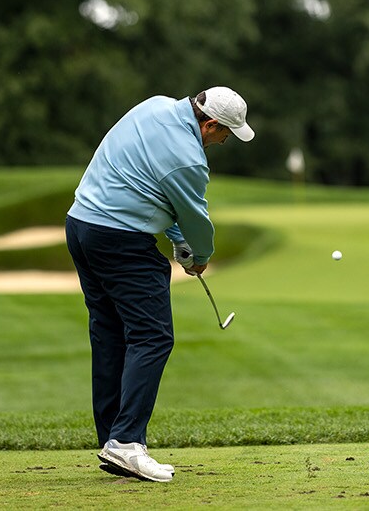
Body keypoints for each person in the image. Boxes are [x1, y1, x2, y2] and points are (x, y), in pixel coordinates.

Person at [65, 87, 255, 482]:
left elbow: (148, 184)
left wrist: (177, 239)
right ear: (210, 124)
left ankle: (114, 439)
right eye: (226, 134)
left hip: (81, 226)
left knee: (109, 333)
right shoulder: (190, 158)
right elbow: (195, 217)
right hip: (119, 239)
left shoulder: (154, 106)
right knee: (152, 336)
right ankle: (126, 442)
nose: (225, 141)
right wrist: (200, 255)